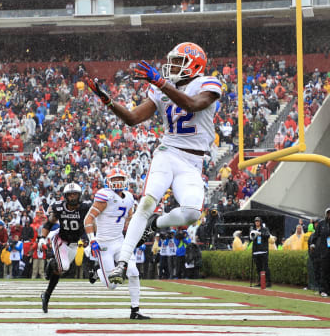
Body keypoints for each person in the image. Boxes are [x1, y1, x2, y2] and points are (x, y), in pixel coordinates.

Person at [87, 43, 221, 284]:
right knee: (148, 201)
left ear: (195, 64)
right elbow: (132, 118)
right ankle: (122, 262)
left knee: (191, 213)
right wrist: (107, 100)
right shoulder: (161, 90)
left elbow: (192, 105)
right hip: (168, 153)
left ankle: (156, 223)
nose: (173, 66)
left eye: (179, 61)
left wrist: (161, 83)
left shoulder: (207, 83)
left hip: (193, 162)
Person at [83, 168, 149, 320]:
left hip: (120, 241)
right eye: (114, 179)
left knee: (133, 272)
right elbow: (88, 219)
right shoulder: (104, 196)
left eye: (119, 178)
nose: (117, 181)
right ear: (108, 181)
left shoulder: (129, 198)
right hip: (103, 245)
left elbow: (131, 220)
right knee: (112, 285)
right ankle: (97, 271)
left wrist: (137, 235)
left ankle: (135, 310)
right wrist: (92, 240)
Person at [40, 182, 91, 313]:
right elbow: (49, 223)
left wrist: (89, 238)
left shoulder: (85, 207)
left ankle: (46, 295)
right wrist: (41, 238)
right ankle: (51, 262)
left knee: (60, 270)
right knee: (63, 267)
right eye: (70, 195)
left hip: (74, 244)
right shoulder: (59, 207)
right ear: (65, 196)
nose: (72, 197)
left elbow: (91, 224)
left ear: (79, 196)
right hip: (60, 240)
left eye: (75, 194)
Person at [310, 207, 330, 297]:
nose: (329, 215)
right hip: (324, 250)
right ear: (326, 214)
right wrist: (313, 244)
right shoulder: (321, 224)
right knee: (325, 271)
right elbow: (316, 235)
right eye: (328, 213)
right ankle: (323, 290)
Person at [249, 216, 271, 287]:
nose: (257, 222)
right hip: (256, 251)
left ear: (260, 222)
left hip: (263, 251)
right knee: (258, 268)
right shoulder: (253, 229)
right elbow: (250, 239)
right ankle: (260, 282)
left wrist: (260, 234)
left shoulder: (264, 229)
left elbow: (268, 235)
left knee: (265, 267)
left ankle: (268, 282)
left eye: (258, 221)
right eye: (256, 221)